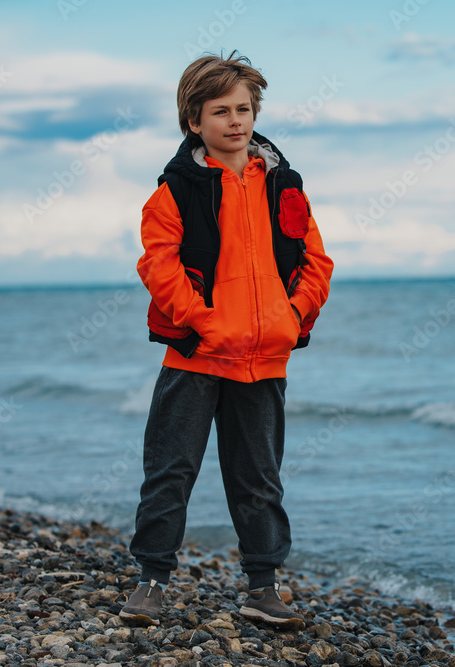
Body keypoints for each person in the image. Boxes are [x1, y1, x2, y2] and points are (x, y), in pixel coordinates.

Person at [119, 52, 333, 629]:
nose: (235, 121)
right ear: (195, 121)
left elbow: (317, 261)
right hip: (195, 356)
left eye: (244, 108)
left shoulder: (284, 184)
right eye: (221, 111)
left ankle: (263, 588)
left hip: (265, 359)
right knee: (171, 471)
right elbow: (157, 266)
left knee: (259, 479)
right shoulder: (176, 191)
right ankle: (151, 581)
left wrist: (292, 316)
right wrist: (205, 321)